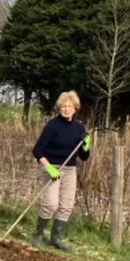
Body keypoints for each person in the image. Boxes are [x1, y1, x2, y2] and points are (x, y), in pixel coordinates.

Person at [31, 90, 91, 251]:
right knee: (51, 203)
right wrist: (48, 167)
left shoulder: (79, 128)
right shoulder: (52, 126)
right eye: (63, 106)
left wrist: (86, 145)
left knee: (66, 205)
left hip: (69, 169)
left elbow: (84, 157)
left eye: (69, 106)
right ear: (59, 108)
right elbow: (37, 151)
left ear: (75, 108)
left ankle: (56, 238)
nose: (66, 109)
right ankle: (38, 234)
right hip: (51, 167)